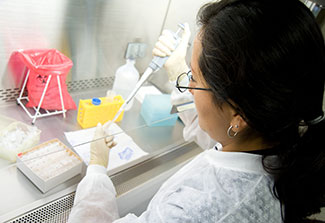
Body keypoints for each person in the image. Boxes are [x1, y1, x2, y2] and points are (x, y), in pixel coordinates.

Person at [68, 0, 325, 222]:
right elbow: (220, 136)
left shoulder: (196, 213)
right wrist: (178, 65)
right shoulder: (274, 142)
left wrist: (97, 171)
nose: (188, 87)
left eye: (195, 78)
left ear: (240, 116)